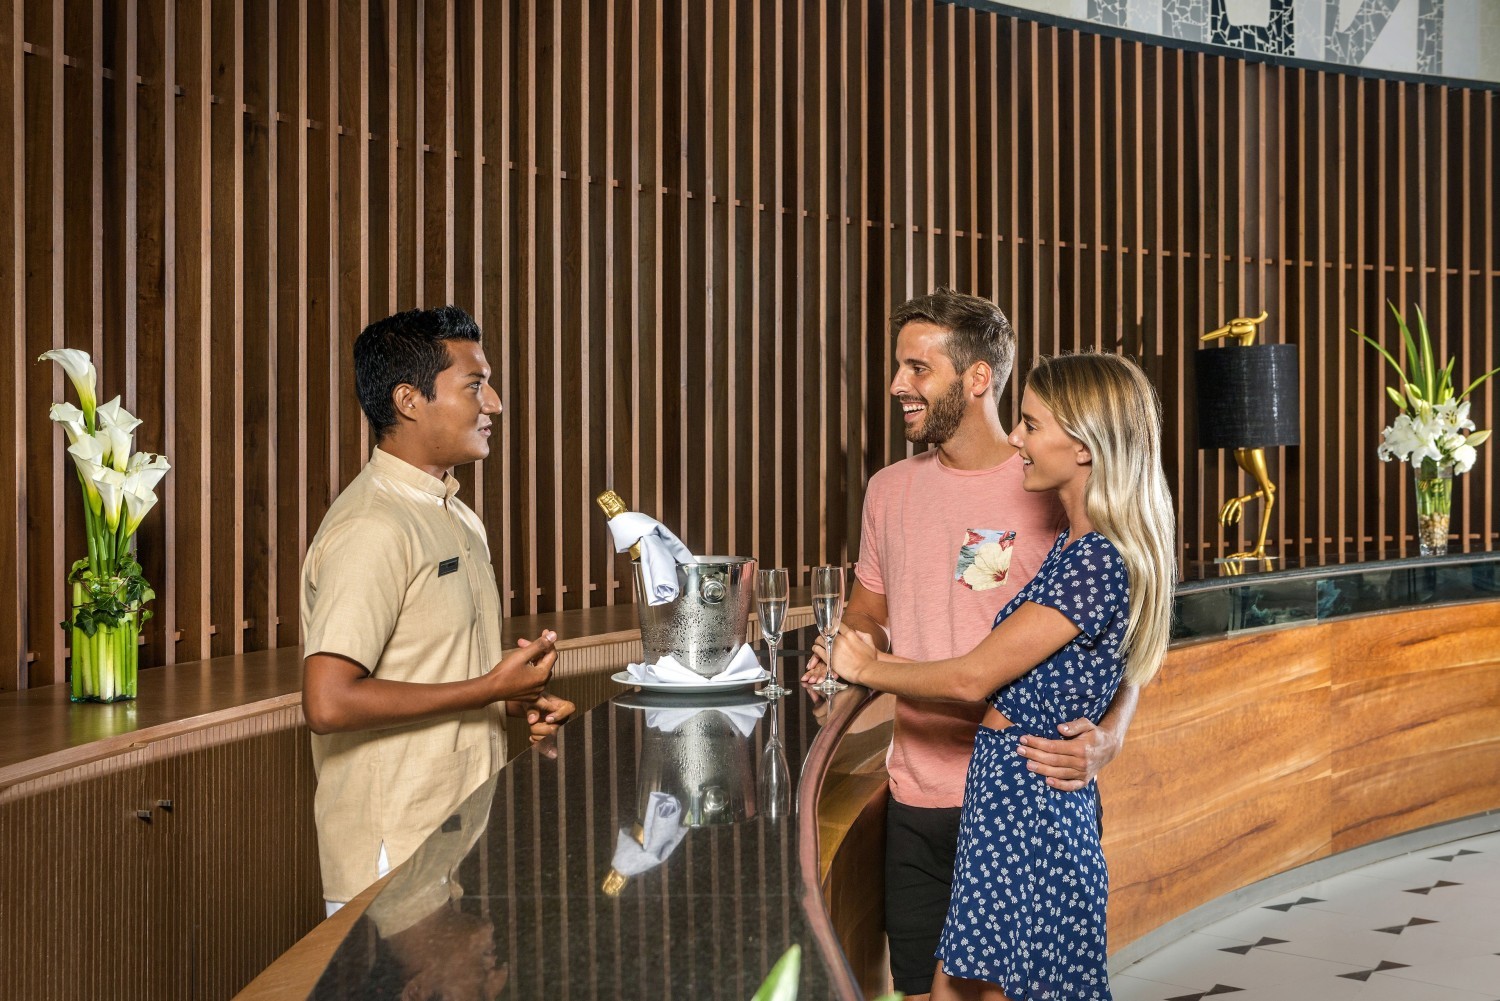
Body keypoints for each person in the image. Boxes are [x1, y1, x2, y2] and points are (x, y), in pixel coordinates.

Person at [805, 289, 1139, 1000]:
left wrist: (1112, 733)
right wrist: (845, 649)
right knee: (924, 989)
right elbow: (868, 612)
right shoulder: (888, 490)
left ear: (978, 376)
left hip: (1019, 792)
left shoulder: (1052, 485)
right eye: (899, 366)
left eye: (918, 368)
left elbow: (1129, 640)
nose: (897, 385)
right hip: (915, 792)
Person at [300, 305, 574, 915]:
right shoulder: (372, 526)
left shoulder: (457, 516)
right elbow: (328, 702)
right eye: (475, 386)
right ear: (408, 400)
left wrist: (513, 697)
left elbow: (429, 671)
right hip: (395, 852)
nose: (494, 404)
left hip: (461, 838)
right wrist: (487, 688)